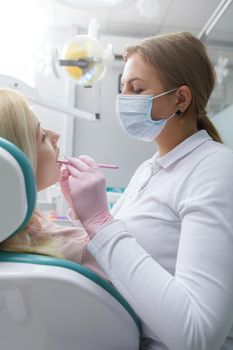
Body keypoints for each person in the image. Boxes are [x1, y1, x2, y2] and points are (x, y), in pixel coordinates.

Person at [61, 32, 233, 350]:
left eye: (136, 89)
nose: (123, 98)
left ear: (181, 99)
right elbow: (130, 258)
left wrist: (101, 222)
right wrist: (82, 214)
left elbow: (198, 335)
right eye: (122, 87)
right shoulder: (149, 168)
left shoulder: (215, 168)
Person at [0, 88, 107, 280]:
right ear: (16, 159)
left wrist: (78, 211)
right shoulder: (75, 249)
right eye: (42, 137)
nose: (56, 135)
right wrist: (97, 218)